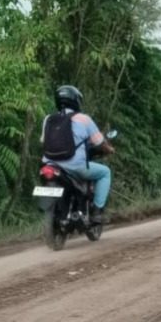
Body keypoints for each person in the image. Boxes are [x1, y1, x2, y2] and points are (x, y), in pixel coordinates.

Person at [41, 85, 114, 222]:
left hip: (49, 165)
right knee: (105, 172)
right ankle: (97, 212)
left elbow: (43, 141)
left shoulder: (48, 119)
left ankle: (57, 213)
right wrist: (109, 149)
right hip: (75, 167)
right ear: (76, 101)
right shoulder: (84, 119)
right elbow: (99, 142)